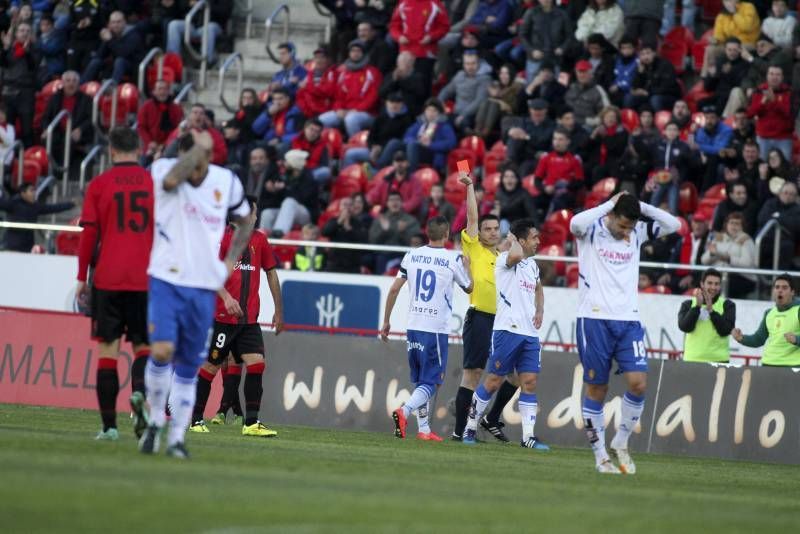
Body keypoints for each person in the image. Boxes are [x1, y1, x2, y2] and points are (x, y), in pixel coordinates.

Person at [138, 130, 252, 459]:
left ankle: (176, 438)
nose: (202, 166)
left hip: (203, 287)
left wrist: (230, 262)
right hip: (166, 279)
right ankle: (156, 419)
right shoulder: (164, 170)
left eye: (207, 157)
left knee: (189, 364)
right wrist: (193, 151)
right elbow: (176, 178)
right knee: (161, 350)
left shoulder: (226, 181)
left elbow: (246, 221)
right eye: (198, 158)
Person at [570, 193, 680, 473]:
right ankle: (600, 457)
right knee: (598, 387)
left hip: (628, 320)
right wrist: (610, 203)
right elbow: (574, 222)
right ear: (611, 216)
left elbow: (674, 224)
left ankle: (621, 442)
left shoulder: (637, 233)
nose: (626, 232)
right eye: (622, 226)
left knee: (638, 383)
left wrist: (639, 206)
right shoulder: (590, 230)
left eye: (630, 227)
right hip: (594, 319)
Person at [75, 127, 153, 441]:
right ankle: (140, 399)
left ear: (111, 151)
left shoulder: (99, 184)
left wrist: (82, 278)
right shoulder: (154, 185)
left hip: (108, 278)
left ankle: (109, 428)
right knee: (143, 348)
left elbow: (89, 235)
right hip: (144, 280)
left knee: (108, 352)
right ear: (140, 148)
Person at [190, 202, 284, 437]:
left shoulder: (260, 240)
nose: (255, 215)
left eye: (255, 211)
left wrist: (279, 310)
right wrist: (226, 298)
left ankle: (251, 423)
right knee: (210, 367)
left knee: (257, 364)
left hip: (249, 321)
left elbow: (271, 273)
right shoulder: (221, 238)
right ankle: (195, 419)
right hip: (223, 318)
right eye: (251, 211)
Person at [381, 215, 473, 441]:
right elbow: (469, 288)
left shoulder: (411, 255)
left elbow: (393, 290)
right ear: (446, 234)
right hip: (435, 329)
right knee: (432, 382)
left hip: (413, 326)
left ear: (426, 232)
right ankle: (404, 411)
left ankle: (423, 430)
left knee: (422, 379)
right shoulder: (451, 260)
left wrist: (386, 321)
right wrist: (468, 267)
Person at [462, 217, 548, 450]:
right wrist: (511, 237)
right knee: (493, 381)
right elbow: (516, 255)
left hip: (530, 334)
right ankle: (470, 426)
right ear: (520, 241)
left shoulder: (533, 266)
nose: (539, 241)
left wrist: (539, 309)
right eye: (534, 238)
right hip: (507, 331)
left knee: (528, 382)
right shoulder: (503, 261)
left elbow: (539, 289)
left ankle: (528, 437)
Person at [451, 173, 512, 442]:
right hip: (480, 318)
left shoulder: (501, 257)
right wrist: (471, 187)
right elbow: (472, 219)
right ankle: (460, 431)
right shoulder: (474, 248)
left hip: (501, 321)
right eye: (488, 229)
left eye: (495, 229)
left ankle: (489, 417)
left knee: (512, 374)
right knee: (473, 374)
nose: (492, 233)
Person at [319, 40, 382, 138]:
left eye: (358, 51)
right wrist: (339, 109)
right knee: (322, 120)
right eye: (353, 51)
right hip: (346, 111)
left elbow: (373, 96)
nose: (355, 53)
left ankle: (355, 144)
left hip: (367, 113)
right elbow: (338, 95)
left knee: (351, 119)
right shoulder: (344, 72)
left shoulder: (372, 72)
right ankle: (329, 145)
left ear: (363, 53)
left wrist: (356, 110)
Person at [733, 274, 800, 366]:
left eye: (784, 288)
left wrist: (797, 339)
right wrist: (741, 338)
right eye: (777, 287)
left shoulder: (798, 310)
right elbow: (758, 339)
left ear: (792, 292)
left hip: (791, 366)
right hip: (767, 364)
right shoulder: (769, 313)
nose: (780, 291)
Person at [678, 268, 736, 363]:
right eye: (709, 283)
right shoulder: (688, 304)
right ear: (702, 284)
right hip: (692, 360)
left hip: (719, 361)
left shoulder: (728, 305)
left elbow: (726, 330)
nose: (713, 287)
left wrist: (711, 311)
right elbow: (684, 327)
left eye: (716, 284)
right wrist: (697, 307)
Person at [258, 149, 318, 237]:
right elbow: (276, 202)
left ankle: (279, 233)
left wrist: (285, 188)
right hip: (287, 213)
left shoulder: (309, 178)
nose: (284, 164)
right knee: (267, 213)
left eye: (287, 162)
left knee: (289, 202)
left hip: (306, 214)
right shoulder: (285, 176)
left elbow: (302, 198)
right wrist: (273, 190)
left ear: (294, 163)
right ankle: (262, 240)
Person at [0, 183, 74, 251]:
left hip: (28, 247)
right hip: (12, 246)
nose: (34, 193)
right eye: (31, 190)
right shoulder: (13, 204)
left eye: (34, 190)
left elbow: (53, 208)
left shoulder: (35, 206)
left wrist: (70, 204)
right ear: (23, 193)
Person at [701, 212, 757, 297]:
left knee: (726, 282)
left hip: (740, 277)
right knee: (705, 278)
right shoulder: (719, 237)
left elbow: (747, 263)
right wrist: (712, 254)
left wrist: (729, 259)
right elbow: (703, 260)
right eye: (731, 223)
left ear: (742, 226)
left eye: (737, 224)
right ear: (726, 225)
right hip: (719, 274)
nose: (733, 226)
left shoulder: (746, 240)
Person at [0, 22, 38, 147]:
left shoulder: (35, 49)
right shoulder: (9, 49)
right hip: (8, 92)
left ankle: (27, 158)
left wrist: (26, 53)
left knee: (27, 129)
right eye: (21, 30)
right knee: (6, 129)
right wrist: (5, 48)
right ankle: (7, 161)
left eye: (27, 30)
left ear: (31, 34)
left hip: (26, 93)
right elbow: (3, 63)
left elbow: (33, 66)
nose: (24, 33)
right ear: (16, 34)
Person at [80, 11, 144, 83]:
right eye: (113, 22)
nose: (116, 25)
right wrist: (105, 39)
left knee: (120, 60)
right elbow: (100, 55)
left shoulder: (133, 35)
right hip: (116, 65)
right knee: (96, 61)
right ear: (109, 24)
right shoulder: (112, 33)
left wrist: (110, 40)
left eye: (118, 22)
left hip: (134, 65)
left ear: (124, 22)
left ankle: (113, 87)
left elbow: (123, 53)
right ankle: (82, 84)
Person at [518, 0, 573, 82]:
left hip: (554, 58)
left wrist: (562, 48)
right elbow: (522, 35)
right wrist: (532, 51)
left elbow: (570, 36)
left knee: (551, 91)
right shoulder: (531, 13)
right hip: (535, 58)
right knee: (531, 88)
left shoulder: (562, 14)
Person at [747, 65, 793, 161]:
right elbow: (750, 114)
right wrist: (762, 103)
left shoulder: (789, 92)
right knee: (762, 167)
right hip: (763, 138)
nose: (774, 77)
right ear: (767, 76)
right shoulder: (759, 91)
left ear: (782, 77)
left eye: (778, 74)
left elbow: (789, 113)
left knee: (785, 169)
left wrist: (774, 101)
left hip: (783, 138)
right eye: (771, 74)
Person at [438, 50, 491, 132]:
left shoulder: (485, 79)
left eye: (473, 63)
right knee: (437, 120)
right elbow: (446, 91)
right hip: (456, 113)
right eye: (467, 64)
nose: (470, 67)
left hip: (472, 115)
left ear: (478, 63)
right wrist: (439, 103)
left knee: (462, 123)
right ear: (463, 64)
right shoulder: (459, 75)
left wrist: (463, 115)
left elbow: (480, 100)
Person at [534, 128, 585, 212]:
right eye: (555, 139)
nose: (556, 142)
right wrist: (545, 189)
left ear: (568, 141)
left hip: (566, 195)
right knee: (532, 202)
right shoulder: (546, 157)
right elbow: (537, 180)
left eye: (560, 139)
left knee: (559, 201)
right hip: (548, 193)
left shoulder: (574, 159)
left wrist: (565, 186)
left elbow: (579, 182)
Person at [402, 98, 456, 174]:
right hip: (417, 149)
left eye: (434, 111)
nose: (431, 113)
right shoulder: (419, 123)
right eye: (428, 110)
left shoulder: (444, 126)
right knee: (394, 143)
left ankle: (409, 175)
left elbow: (450, 143)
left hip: (432, 153)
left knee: (412, 146)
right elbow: (407, 137)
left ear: (439, 112)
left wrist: (430, 145)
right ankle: (383, 171)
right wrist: (418, 142)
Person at [323, 193, 372, 273]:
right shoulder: (334, 221)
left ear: (353, 208)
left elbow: (363, 241)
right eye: (344, 205)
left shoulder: (359, 223)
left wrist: (348, 228)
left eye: (350, 205)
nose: (347, 208)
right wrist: (339, 222)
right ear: (340, 207)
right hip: (334, 264)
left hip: (352, 265)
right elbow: (325, 232)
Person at [137, 79, 184, 163]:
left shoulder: (176, 109)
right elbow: (141, 127)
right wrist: (150, 142)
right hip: (150, 148)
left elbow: (177, 129)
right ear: (154, 91)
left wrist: (164, 145)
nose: (162, 92)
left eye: (165, 89)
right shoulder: (146, 107)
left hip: (169, 148)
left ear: (169, 91)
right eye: (159, 89)